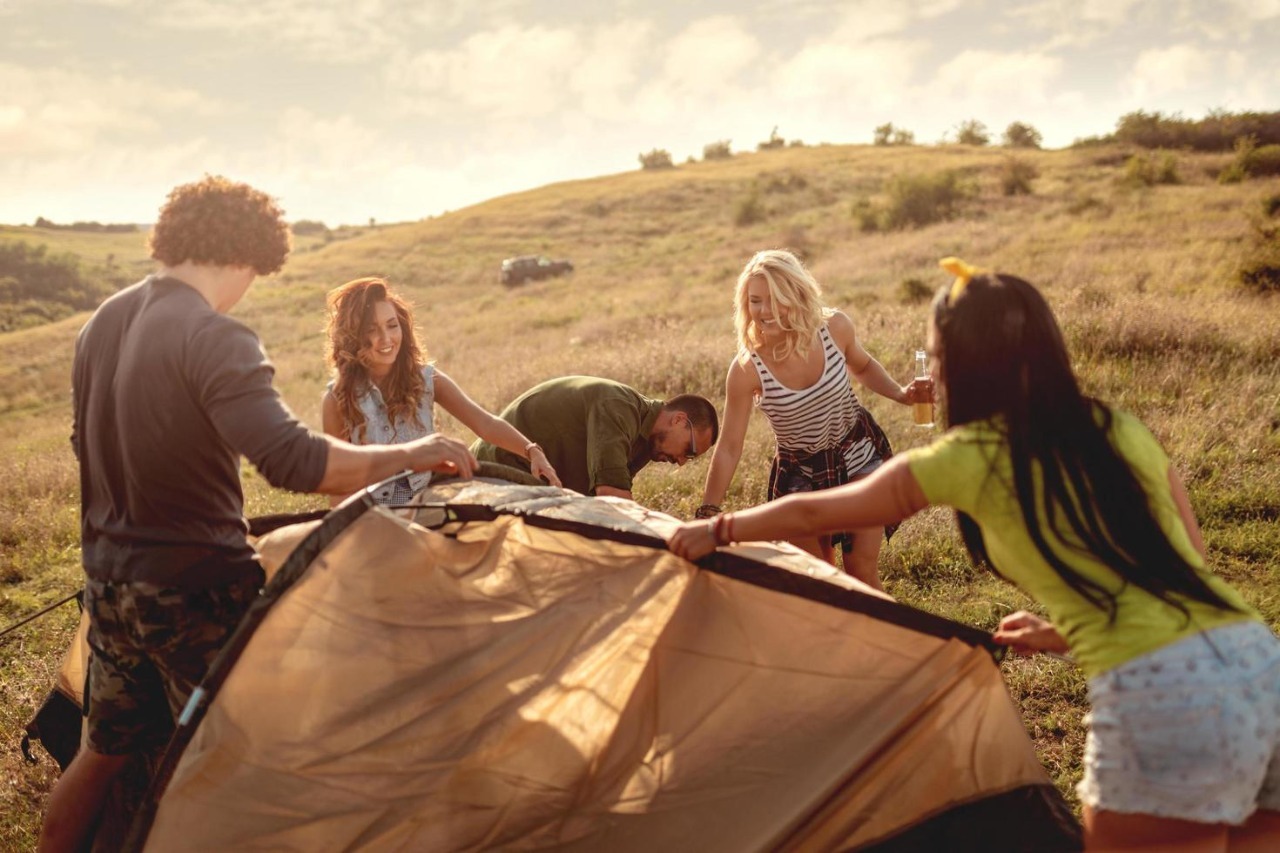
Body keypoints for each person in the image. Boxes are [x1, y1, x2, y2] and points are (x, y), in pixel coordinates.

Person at [669, 258, 1280, 851]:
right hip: (1256, 661)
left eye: (937, 354)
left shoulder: (968, 457)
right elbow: (1188, 570)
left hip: (1166, 696)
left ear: (961, 365)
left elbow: (812, 512)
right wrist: (1066, 629)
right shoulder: (1117, 426)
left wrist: (718, 530)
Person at [41, 176, 478, 853]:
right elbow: (293, 460)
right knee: (261, 758)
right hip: (196, 589)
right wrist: (419, 451)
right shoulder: (216, 334)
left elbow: (83, 445)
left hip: (108, 585)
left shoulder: (103, 322)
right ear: (244, 253)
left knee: (105, 753)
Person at [696, 249, 932, 589]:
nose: (763, 311)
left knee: (861, 574)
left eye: (774, 299)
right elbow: (730, 446)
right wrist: (708, 511)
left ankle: (889, 641)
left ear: (796, 295)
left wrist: (900, 394)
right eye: (755, 301)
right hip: (801, 478)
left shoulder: (834, 328)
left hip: (858, 458)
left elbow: (862, 366)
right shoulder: (747, 368)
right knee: (822, 582)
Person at [321, 276, 560, 505]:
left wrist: (532, 451)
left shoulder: (426, 378)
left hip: (430, 500)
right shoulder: (337, 399)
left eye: (392, 326)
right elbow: (338, 479)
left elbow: (485, 424)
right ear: (353, 336)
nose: (386, 339)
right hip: (374, 513)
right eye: (371, 329)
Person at [472, 376, 718, 500]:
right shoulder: (619, 407)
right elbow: (612, 498)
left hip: (532, 487)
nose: (683, 461)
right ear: (678, 420)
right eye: (690, 450)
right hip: (494, 471)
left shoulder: (647, 442)